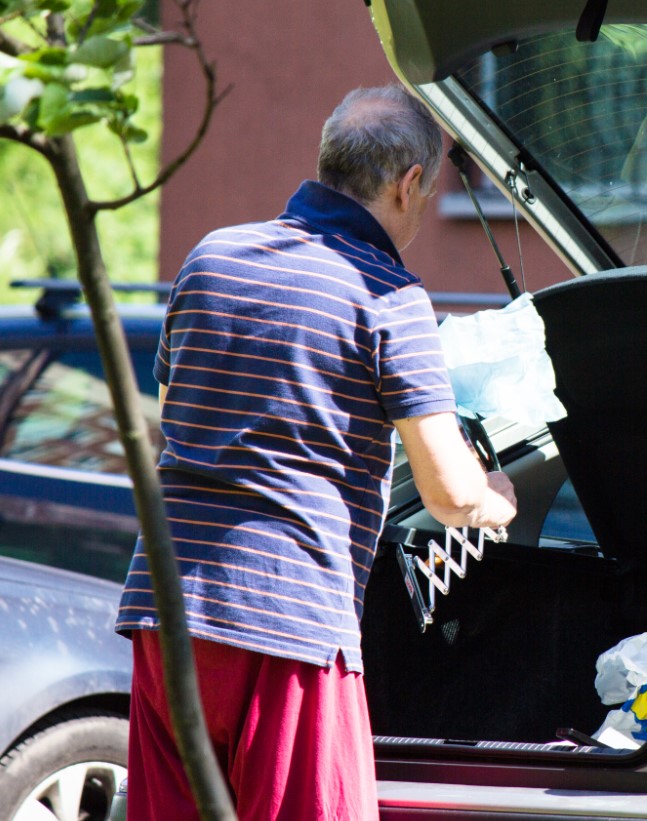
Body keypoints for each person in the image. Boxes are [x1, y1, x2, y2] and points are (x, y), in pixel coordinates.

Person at [115, 84, 517, 820]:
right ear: (409, 183)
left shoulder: (211, 257)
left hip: (167, 607)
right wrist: (499, 496)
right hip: (287, 617)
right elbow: (449, 494)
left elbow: (175, 415)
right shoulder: (388, 296)